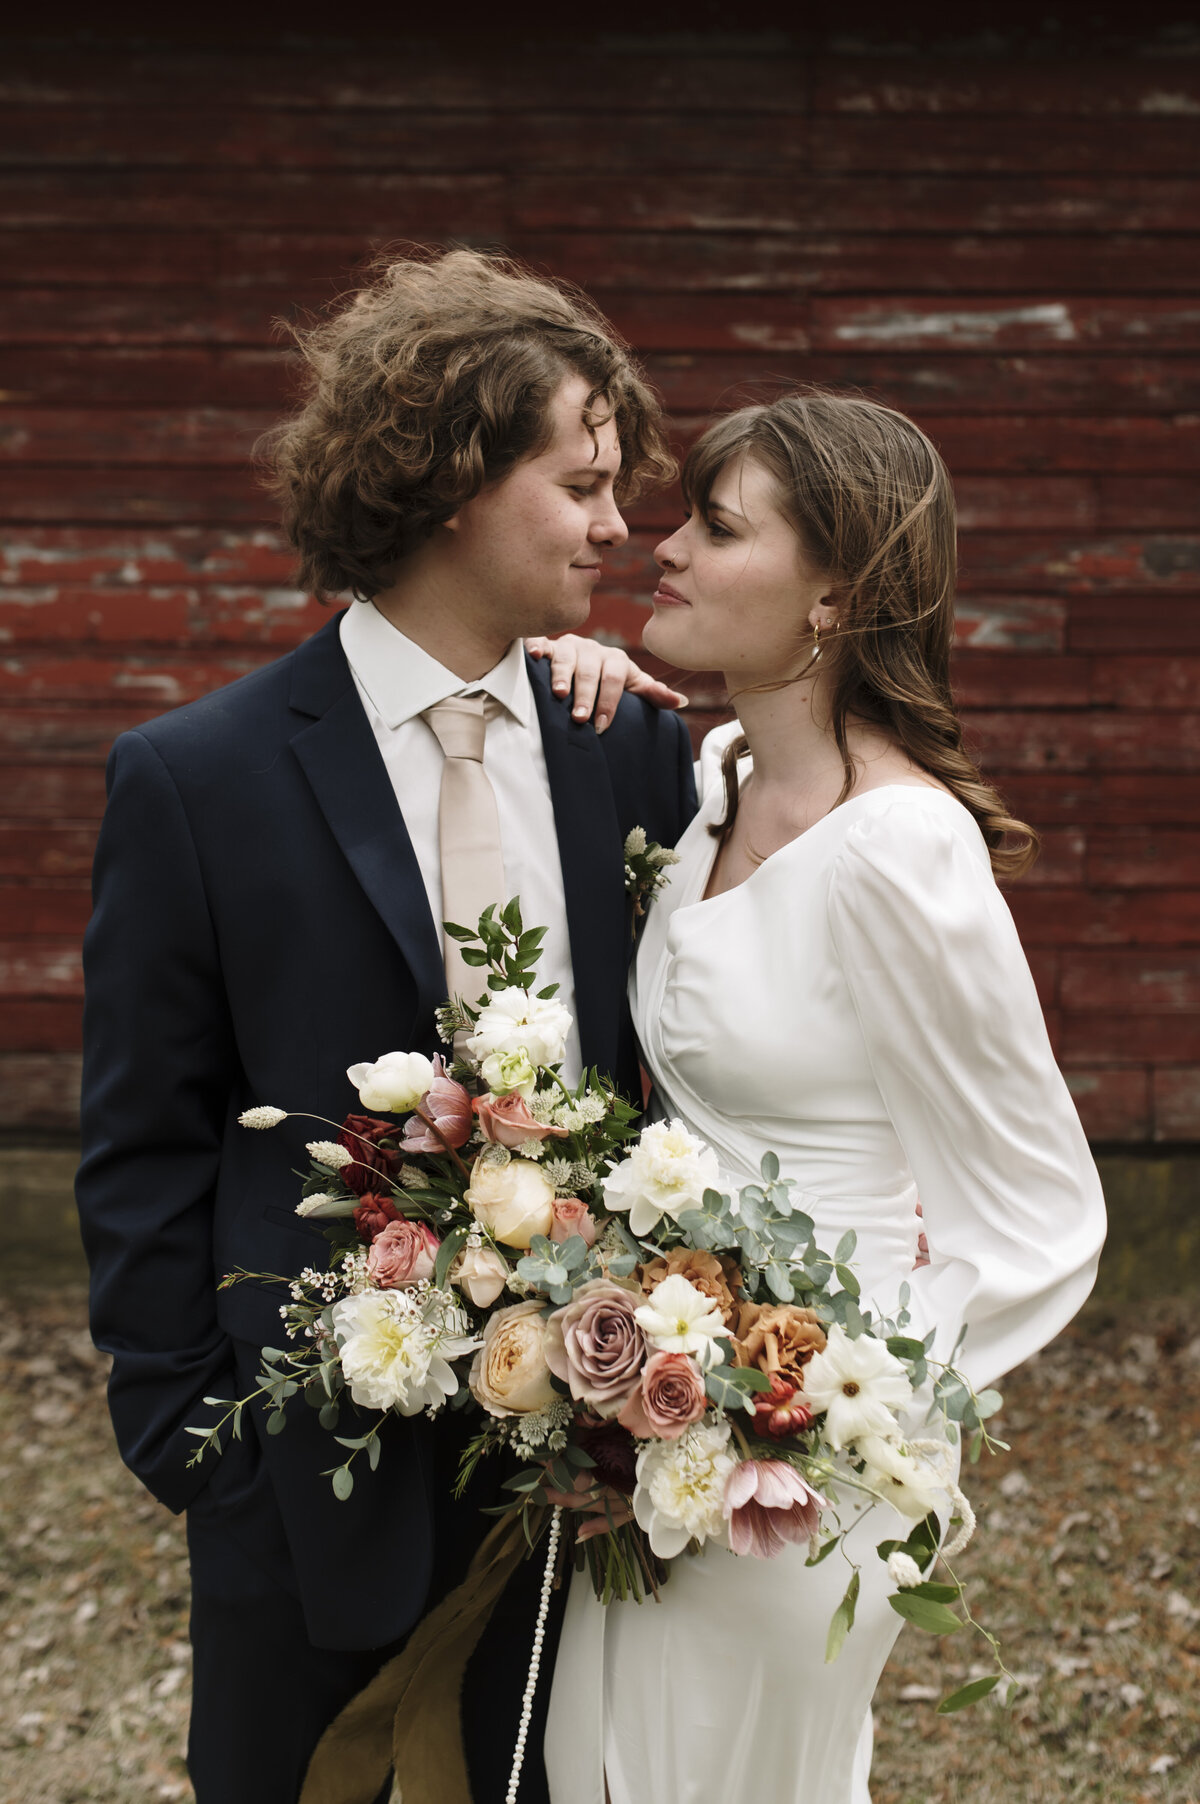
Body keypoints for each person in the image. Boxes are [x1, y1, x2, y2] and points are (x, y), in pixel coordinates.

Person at [74, 247, 695, 1804]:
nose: (620, 525)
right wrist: (188, 1429)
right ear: (455, 483)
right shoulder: (197, 780)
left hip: (594, 1458)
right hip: (307, 1464)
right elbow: (144, 1126)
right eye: (584, 482)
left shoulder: (630, 752)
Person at [542, 390, 1107, 1804]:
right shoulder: (715, 782)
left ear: (832, 597)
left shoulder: (899, 852)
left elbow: (1046, 1217)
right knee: (598, 1767)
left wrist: (834, 1414)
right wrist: (553, 680)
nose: (660, 550)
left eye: (715, 529)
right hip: (643, 1421)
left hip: (790, 1476)